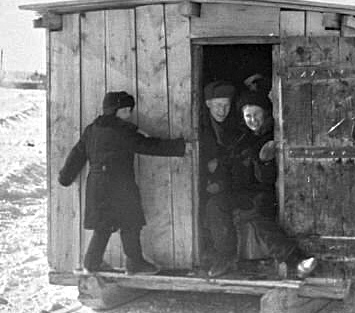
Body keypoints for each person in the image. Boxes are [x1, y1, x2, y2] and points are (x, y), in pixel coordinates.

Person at [58, 91, 188, 274]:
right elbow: (148, 145)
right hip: (120, 184)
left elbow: (77, 154)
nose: (129, 115)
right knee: (130, 224)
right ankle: (135, 263)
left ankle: (91, 263)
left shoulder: (91, 129)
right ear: (115, 111)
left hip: (97, 184)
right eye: (125, 111)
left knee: (102, 227)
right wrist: (179, 146)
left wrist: (65, 177)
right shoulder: (123, 131)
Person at [204, 91, 316, 279]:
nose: (253, 120)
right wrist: (217, 181)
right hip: (241, 192)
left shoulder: (272, 137)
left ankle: (296, 261)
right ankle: (225, 256)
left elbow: (268, 178)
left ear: (265, 114)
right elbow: (229, 166)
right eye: (248, 116)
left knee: (259, 214)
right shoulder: (241, 138)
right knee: (215, 205)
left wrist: (264, 162)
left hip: (265, 192)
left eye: (256, 114)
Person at [199, 80, 244, 266]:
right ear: (208, 104)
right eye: (218, 105)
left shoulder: (234, 126)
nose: (222, 110)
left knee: (215, 206)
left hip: (228, 182)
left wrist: (220, 171)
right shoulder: (200, 127)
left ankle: (223, 255)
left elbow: (237, 159)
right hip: (205, 180)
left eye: (226, 105)